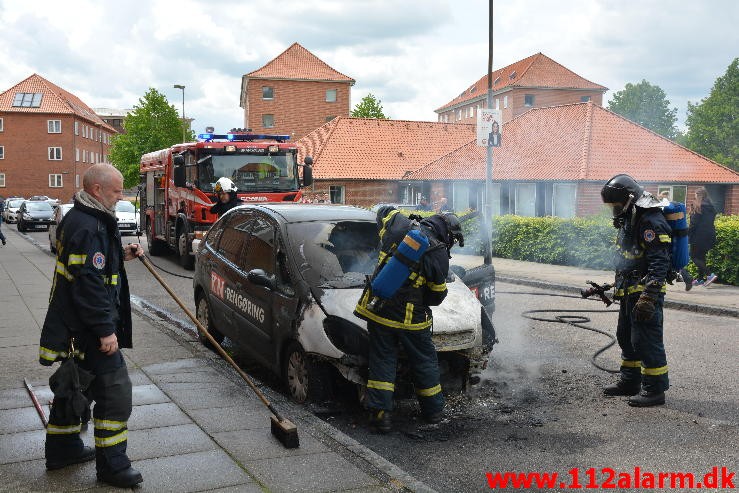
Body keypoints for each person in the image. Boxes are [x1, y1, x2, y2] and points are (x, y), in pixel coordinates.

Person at [39, 163, 144, 487]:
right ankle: (112, 466)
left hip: (75, 328)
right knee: (115, 394)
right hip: (89, 329)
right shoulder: (89, 226)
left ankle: (63, 448)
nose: (120, 196)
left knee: (75, 386)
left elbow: (93, 267)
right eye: (116, 191)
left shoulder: (85, 217)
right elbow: (89, 283)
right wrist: (105, 330)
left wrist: (122, 253)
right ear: (97, 190)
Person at [354, 207, 465, 432]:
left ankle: (381, 416)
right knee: (424, 362)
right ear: (447, 234)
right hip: (412, 321)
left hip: (379, 311)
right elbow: (436, 295)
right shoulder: (439, 253)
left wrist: (404, 218)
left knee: (382, 361)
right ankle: (433, 412)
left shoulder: (399, 226)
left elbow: (382, 211)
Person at [600, 174, 671, 407]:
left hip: (645, 293)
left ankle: (654, 390)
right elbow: (628, 257)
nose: (615, 210)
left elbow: (659, 262)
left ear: (630, 199)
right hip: (629, 289)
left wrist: (650, 296)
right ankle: (630, 381)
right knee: (625, 336)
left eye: (616, 205)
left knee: (646, 340)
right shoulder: (631, 217)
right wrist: (613, 285)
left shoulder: (651, 221)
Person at [688, 187, 718, 287]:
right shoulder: (711, 206)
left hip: (698, 235)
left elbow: (693, 223)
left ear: (697, 195)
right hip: (710, 235)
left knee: (693, 256)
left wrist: (688, 235)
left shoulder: (697, 206)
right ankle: (700, 279)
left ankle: (709, 275)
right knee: (701, 257)